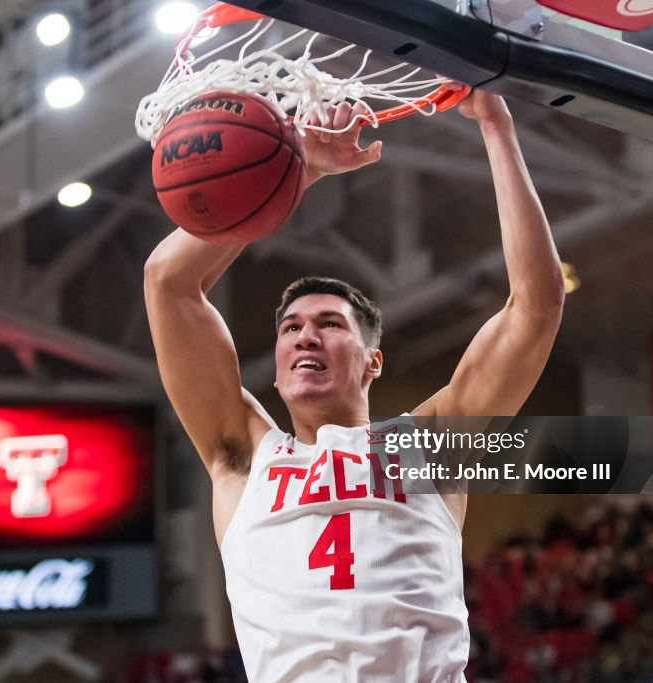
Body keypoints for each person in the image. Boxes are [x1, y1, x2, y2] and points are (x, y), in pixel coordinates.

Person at [144, 91, 564, 682]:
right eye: (291, 328)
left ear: (373, 362)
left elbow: (536, 309)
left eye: (329, 324)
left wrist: (497, 126)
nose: (305, 337)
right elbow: (169, 284)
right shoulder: (241, 457)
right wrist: (299, 173)